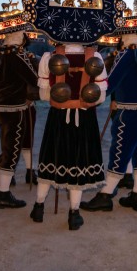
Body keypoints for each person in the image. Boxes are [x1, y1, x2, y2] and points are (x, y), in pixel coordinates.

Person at [29, 43, 107, 230]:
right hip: (85, 118)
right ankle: (74, 214)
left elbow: (44, 95)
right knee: (78, 163)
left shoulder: (49, 57)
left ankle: (38, 208)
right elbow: (101, 98)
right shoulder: (94, 56)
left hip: (58, 117)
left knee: (51, 159)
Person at [80, 38, 137, 213]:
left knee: (119, 151)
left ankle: (105, 195)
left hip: (130, 111)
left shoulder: (126, 55)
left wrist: (91, 98)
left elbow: (109, 84)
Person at [0, 31, 39, 209]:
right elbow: (34, 78)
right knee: (12, 151)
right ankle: (3, 194)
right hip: (13, 108)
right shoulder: (17, 54)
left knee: (6, 148)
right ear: (21, 37)